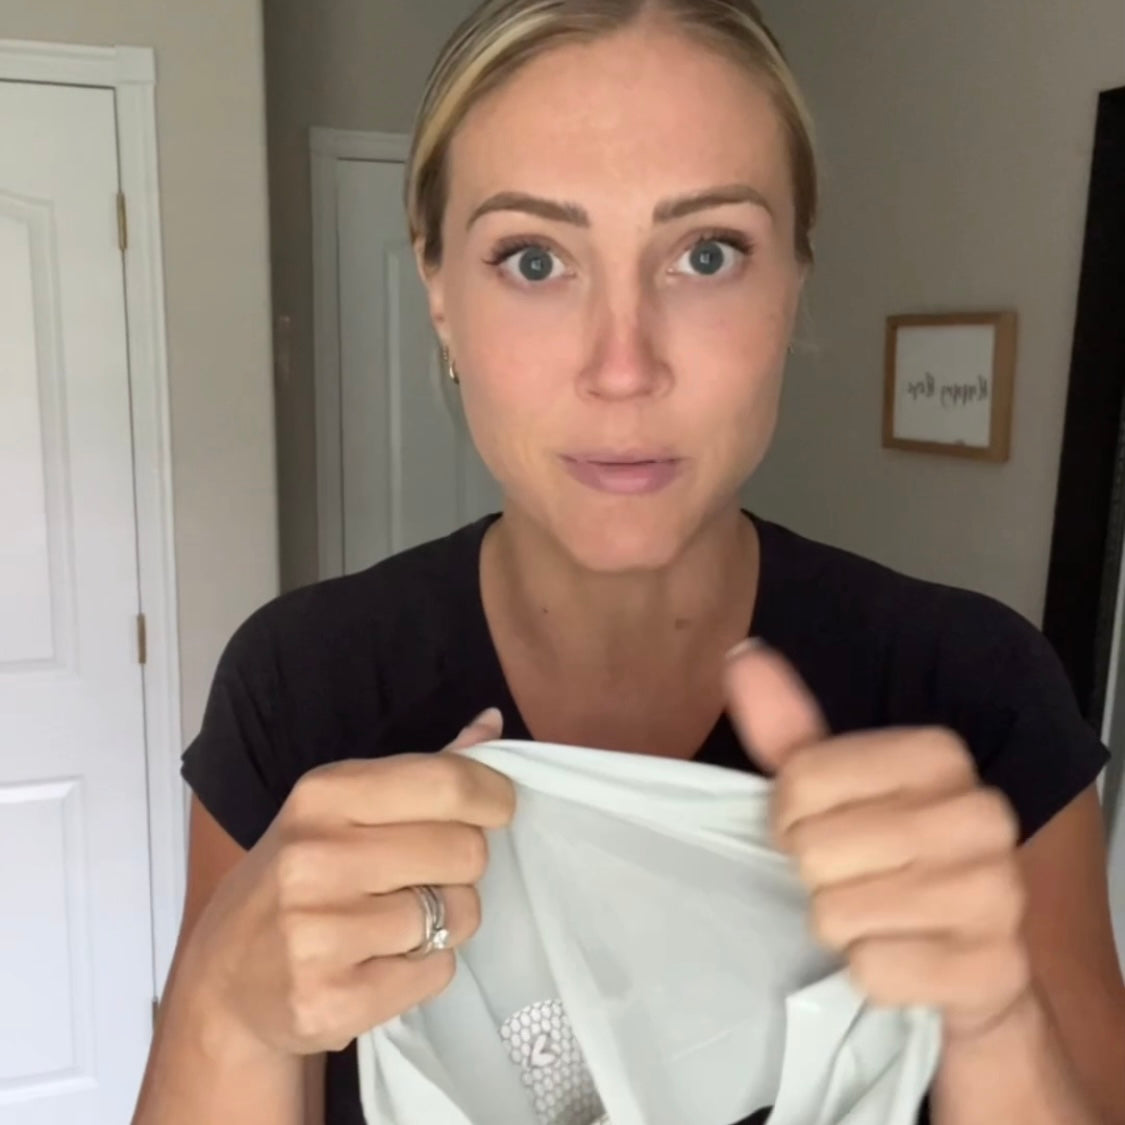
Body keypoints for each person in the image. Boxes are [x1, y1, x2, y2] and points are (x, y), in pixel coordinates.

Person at [132, 2, 1125, 1123]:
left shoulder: (977, 689)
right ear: (438, 290)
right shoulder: (299, 685)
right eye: (534, 259)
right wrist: (227, 1011)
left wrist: (995, 1023)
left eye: (706, 254)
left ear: (793, 280)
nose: (622, 367)